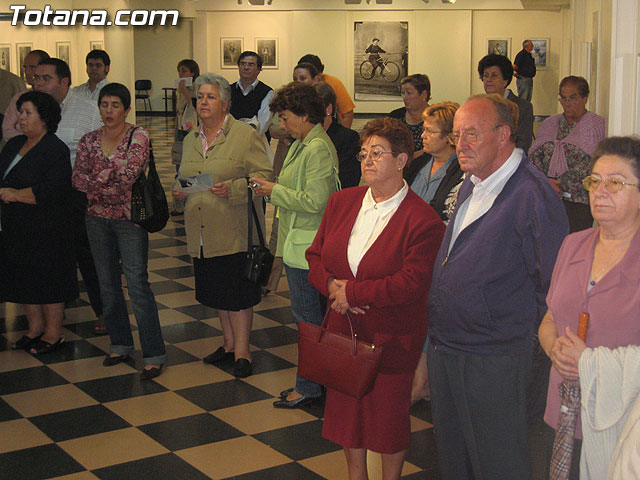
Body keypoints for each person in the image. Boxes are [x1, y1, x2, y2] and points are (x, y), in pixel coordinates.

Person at [426, 94, 569, 480]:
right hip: (450, 347)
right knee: (456, 460)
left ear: (504, 134)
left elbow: (552, 288)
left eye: (471, 134)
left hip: (497, 358)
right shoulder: (474, 183)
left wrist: (528, 357)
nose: (461, 145)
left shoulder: (532, 195)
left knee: (499, 462)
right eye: (457, 135)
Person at [306, 117, 445, 480]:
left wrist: (352, 292)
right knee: (347, 415)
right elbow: (315, 257)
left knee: (387, 420)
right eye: (364, 153)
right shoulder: (342, 202)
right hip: (344, 330)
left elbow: (412, 282)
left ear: (401, 160)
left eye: (377, 153)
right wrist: (333, 288)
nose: (367, 160)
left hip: (390, 336)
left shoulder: (422, 219)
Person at [538, 136, 640, 480]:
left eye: (615, 183)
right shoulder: (573, 243)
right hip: (563, 408)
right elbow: (550, 318)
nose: (600, 191)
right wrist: (554, 348)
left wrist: (591, 363)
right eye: (594, 181)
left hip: (622, 420)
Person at [173, 73, 272, 379]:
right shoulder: (191, 139)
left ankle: (243, 352)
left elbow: (264, 178)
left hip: (235, 231)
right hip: (202, 232)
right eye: (200, 96)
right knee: (217, 292)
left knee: (238, 295)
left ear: (225, 103)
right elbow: (187, 178)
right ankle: (228, 344)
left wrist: (236, 188)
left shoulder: (245, 135)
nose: (203, 101)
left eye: (210, 96)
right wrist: (181, 190)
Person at [250, 82, 339, 408]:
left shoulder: (315, 148)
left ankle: (310, 388)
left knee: (308, 321)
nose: (282, 125)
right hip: (298, 243)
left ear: (304, 115)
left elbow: (316, 201)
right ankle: (315, 383)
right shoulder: (305, 142)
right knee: (310, 319)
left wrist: (273, 190)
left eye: (286, 118)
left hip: (306, 248)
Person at [72, 83, 166, 379]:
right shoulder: (88, 140)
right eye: (104, 105)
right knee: (107, 284)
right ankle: (120, 343)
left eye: (115, 105)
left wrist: (97, 179)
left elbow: (129, 174)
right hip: (96, 219)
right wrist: (107, 179)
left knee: (137, 283)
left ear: (126, 109)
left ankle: (153, 353)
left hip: (129, 220)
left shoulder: (138, 135)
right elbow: (77, 179)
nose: (109, 111)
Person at [0, 91, 77, 354]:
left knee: (49, 279)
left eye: (27, 113)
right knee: (23, 278)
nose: (21, 118)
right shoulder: (13, 145)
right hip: (15, 227)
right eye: (20, 112)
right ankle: (34, 329)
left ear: (44, 117)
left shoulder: (55, 149)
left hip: (47, 227)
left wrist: (14, 195)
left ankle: (53, 333)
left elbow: (52, 190)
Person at [33, 58, 105, 335]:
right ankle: (51, 317)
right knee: (51, 257)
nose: (38, 83)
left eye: (45, 78)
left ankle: (104, 312)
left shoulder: (86, 110)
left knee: (88, 256)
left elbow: (98, 154)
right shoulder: (34, 111)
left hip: (77, 195)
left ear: (64, 81)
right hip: (42, 195)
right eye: (36, 78)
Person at [529, 76, 607, 233]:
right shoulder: (550, 123)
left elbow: (590, 164)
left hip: (577, 201)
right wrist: (545, 183)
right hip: (545, 197)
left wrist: (559, 186)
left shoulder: (594, 125)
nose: (567, 103)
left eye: (573, 98)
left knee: (573, 248)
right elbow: (534, 156)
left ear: (585, 98)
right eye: (563, 98)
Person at [478, 53, 534, 152]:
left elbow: (523, 144)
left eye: (494, 75)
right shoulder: (478, 106)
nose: (489, 80)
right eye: (486, 76)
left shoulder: (523, 107)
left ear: (505, 80)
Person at [314, 81, 361, 188]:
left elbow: (349, 181)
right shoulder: (301, 138)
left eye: (314, 108)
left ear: (328, 109)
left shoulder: (348, 138)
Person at [170, 59, 200, 216]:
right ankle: (179, 202)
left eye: (184, 71)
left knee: (190, 164)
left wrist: (185, 92)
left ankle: (190, 198)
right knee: (179, 162)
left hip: (192, 128)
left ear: (192, 72)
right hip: (180, 127)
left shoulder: (195, 88)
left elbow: (194, 107)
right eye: (179, 71)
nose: (181, 74)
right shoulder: (179, 87)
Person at [2, 49, 50, 142]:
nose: (27, 72)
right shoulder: (19, 97)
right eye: (25, 67)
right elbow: (7, 129)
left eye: (32, 67)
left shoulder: (53, 96)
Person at [299, 54, 356, 128]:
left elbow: (347, 114)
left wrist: (343, 136)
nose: (299, 81)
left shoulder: (333, 83)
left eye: (303, 78)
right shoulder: (296, 88)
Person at [229, 51, 274, 140]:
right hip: (230, 140)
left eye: (251, 64)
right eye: (243, 64)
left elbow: (263, 124)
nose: (246, 68)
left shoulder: (267, 92)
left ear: (259, 69)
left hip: (256, 142)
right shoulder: (228, 90)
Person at [389, 74, 431, 160]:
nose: (405, 97)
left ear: (424, 94)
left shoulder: (435, 117)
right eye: (403, 93)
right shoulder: (395, 117)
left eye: (409, 93)